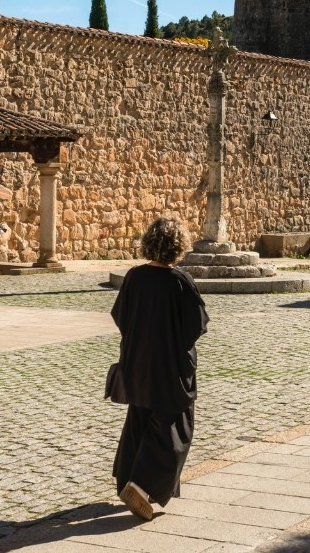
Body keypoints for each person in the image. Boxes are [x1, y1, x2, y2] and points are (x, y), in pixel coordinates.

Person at [110, 217, 209, 521]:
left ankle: (128, 478)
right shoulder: (179, 282)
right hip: (170, 367)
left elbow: (120, 317)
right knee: (176, 426)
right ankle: (141, 484)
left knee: (140, 419)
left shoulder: (134, 277)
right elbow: (196, 325)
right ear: (178, 247)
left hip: (137, 361)